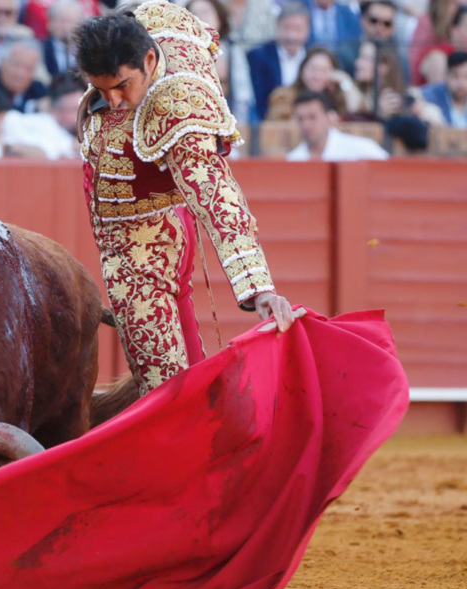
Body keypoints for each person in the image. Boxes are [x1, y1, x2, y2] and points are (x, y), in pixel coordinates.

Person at [74, 3, 295, 396]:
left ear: (149, 59)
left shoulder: (176, 109)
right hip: (159, 233)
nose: (113, 102)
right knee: (188, 369)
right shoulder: (148, 26)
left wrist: (258, 288)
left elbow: (215, 195)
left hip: (142, 250)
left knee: (166, 392)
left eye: (122, 86)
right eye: (100, 89)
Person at [248, 2, 312, 120]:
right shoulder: (259, 56)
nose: (291, 36)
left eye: (298, 29)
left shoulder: (313, 56)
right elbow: (258, 101)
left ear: (308, 30)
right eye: (287, 28)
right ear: (277, 26)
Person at [287, 90, 390, 160]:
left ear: (329, 118)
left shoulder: (362, 149)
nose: (306, 125)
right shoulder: (294, 159)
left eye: (312, 117)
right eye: (300, 119)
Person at [266, 46, 360, 120]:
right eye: (313, 69)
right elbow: (276, 126)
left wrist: (345, 82)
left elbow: (357, 112)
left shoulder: (338, 98)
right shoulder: (284, 96)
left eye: (324, 70)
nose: (317, 75)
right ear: (302, 70)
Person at [0, 41, 48, 113]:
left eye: (28, 68)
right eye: (17, 65)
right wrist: (32, 108)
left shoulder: (38, 89)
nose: (20, 74)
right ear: (2, 62)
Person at [303, 0, 362, 73]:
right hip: (306, 65)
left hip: (341, 68)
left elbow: (353, 45)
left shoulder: (348, 14)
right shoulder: (300, 8)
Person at [422, 51, 467, 127]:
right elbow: (414, 94)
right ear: (446, 76)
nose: (461, 83)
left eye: (466, 77)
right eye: (455, 76)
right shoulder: (432, 95)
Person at [42, 0, 84, 78]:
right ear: (51, 22)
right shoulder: (41, 50)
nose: (65, 27)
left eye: (70, 21)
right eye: (61, 20)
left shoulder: (86, 51)